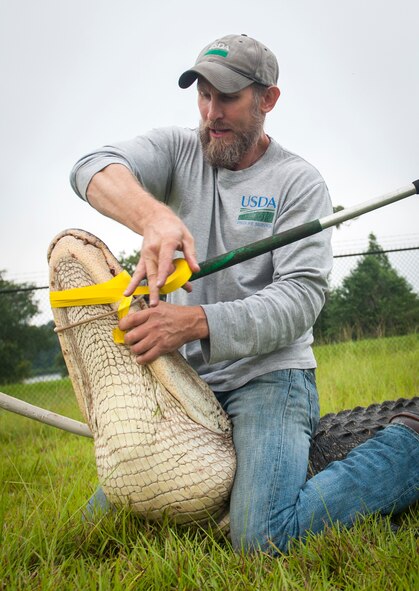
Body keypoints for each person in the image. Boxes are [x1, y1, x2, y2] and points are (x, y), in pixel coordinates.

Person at [70, 33, 419, 554]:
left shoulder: (298, 182)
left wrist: (196, 322)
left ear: (268, 99)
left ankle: (406, 449)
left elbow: (300, 301)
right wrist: (155, 216)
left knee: (260, 538)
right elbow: (90, 166)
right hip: (189, 381)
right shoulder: (177, 148)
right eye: (203, 95)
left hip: (269, 378)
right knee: (105, 521)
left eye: (227, 97)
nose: (211, 112)